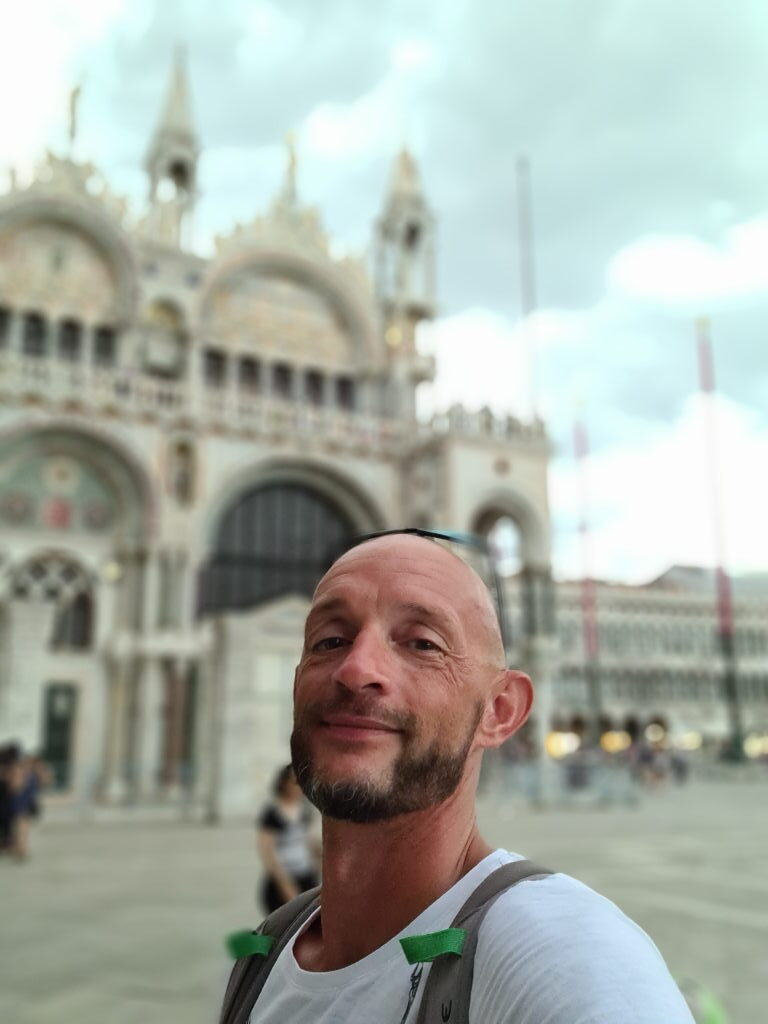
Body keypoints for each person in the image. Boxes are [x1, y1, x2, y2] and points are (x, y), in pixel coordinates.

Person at [223, 531, 694, 1023]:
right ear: (297, 681)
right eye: (330, 640)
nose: (356, 668)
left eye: (423, 644)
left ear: (499, 710)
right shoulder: (263, 960)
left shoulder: (564, 958)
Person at [256, 764, 319, 913]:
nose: (299, 787)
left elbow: (308, 842)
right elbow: (266, 851)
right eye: (295, 782)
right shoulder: (272, 812)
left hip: (305, 876)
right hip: (282, 878)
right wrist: (284, 884)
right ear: (283, 783)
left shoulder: (305, 810)